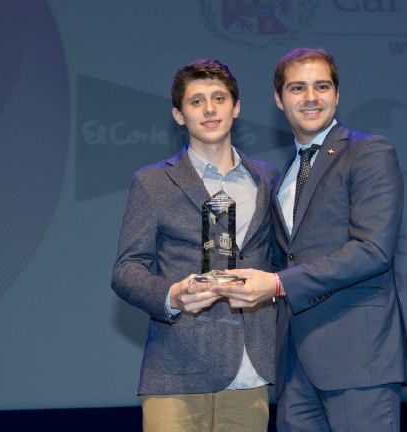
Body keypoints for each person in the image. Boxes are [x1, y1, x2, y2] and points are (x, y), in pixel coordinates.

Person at [215, 48, 407, 431]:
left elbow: (373, 250)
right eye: (297, 88)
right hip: (294, 363)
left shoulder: (369, 152)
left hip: (357, 358)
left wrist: (278, 284)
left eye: (321, 86)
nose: (311, 98)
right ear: (279, 99)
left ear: (337, 95)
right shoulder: (283, 174)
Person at [111, 59, 278, 432]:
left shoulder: (268, 179)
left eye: (219, 98)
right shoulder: (153, 182)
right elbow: (126, 271)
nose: (209, 109)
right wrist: (172, 295)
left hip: (250, 370)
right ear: (178, 114)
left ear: (236, 107)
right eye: (196, 101)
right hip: (177, 368)